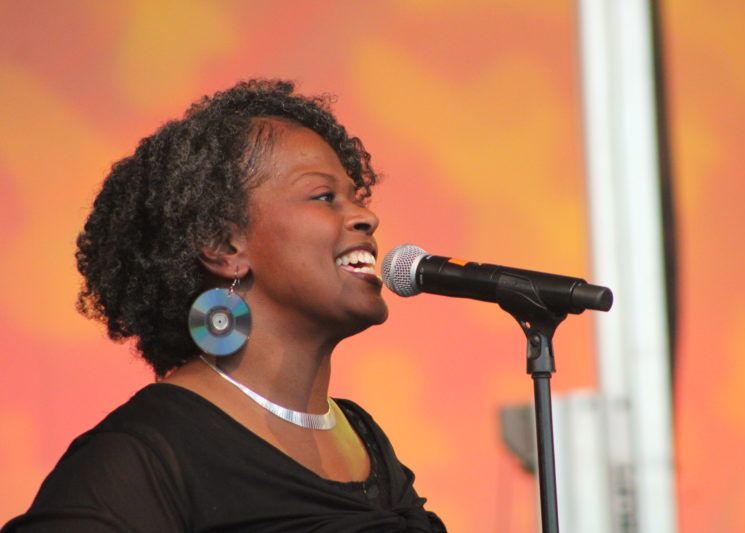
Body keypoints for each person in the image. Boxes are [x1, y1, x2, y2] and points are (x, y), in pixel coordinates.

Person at [3, 79, 446, 532]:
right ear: (224, 246)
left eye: (357, 197)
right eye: (324, 196)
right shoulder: (145, 454)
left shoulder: (366, 439)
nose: (365, 217)